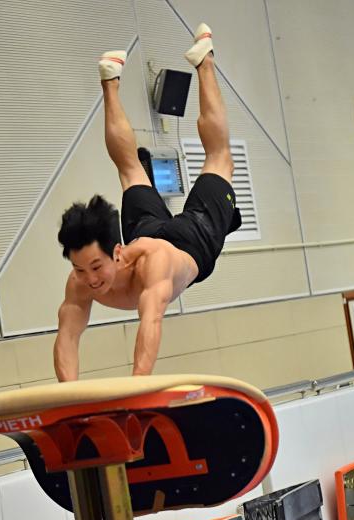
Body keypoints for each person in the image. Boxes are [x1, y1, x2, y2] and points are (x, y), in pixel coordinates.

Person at [54, 24, 242, 382]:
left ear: (118, 252)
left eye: (96, 266)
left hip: (191, 240)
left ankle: (205, 63)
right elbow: (67, 337)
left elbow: (151, 323)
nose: (90, 280)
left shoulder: (152, 267)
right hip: (148, 233)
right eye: (80, 270)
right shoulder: (78, 282)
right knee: (129, 169)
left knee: (219, 157)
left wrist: (137, 388)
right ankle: (109, 80)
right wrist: (69, 398)